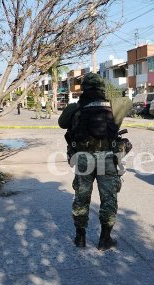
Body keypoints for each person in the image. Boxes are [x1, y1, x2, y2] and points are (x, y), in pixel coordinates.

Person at [58, 73, 122, 251]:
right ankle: (105, 239)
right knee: (109, 198)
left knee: (81, 197)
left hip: (84, 159)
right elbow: (124, 110)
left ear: (84, 89)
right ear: (102, 88)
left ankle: (80, 238)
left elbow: (62, 124)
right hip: (106, 159)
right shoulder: (112, 106)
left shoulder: (75, 107)